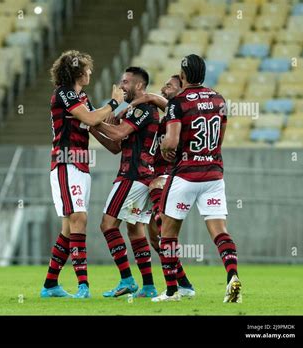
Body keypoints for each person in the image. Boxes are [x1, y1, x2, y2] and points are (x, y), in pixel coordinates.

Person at [151, 54, 241, 303]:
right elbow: (220, 136)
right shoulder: (218, 98)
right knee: (220, 232)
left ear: (183, 76)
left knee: (167, 234)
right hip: (213, 174)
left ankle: (171, 291)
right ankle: (232, 276)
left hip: (186, 176)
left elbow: (171, 141)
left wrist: (165, 149)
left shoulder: (178, 102)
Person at [41, 50, 124, 298]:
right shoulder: (64, 93)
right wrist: (114, 102)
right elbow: (89, 117)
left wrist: (119, 136)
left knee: (69, 227)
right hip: (66, 162)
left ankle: (50, 285)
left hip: (81, 165)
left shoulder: (81, 97)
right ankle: (83, 286)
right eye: (87, 68)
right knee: (79, 218)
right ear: (77, 71)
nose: (90, 72)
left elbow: (95, 124)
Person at [91, 67, 159, 298]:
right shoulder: (132, 111)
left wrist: (91, 117)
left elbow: (119, 134)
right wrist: (92, 126)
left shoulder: (145, 110)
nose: (122, 86)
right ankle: (149, 286)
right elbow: (115, 146)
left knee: (107, 225)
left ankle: (127, 279)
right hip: (140, 177)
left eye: (126, 82)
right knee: (134, 229)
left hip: (133, 176)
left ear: (139, 86)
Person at [130, 75, 195, 298]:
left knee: (161, 229)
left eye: (169, 85)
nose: (164, 87)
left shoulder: (181, 110)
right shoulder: (167, 116)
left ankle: (172, 290)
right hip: (155, 176)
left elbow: (151, 97)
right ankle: (184, 284)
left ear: (181, 91)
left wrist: (121, 105)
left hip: (169, 177)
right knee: (155, 239)